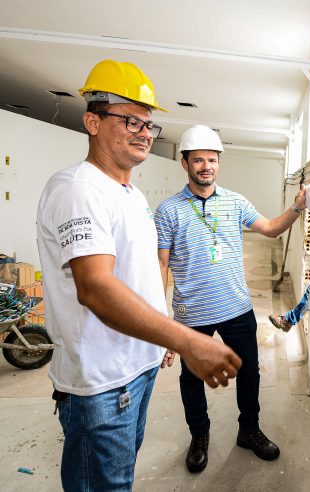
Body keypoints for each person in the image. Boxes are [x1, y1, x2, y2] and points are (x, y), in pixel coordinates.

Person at [36, 60, 242, 491]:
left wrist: (158, 340)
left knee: (119, 478)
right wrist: (184, 340)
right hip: (103, 382)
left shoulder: (128, 193)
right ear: (93, 121)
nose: (144, 132)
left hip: (135, 367)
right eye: (130, 120)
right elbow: (96, 287)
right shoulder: (79, 190)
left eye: (149, 124)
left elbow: (144, 274)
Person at [154, 124, 309, 473]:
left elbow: (269, 228)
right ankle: (199, 435)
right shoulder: (168, 211)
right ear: (185, 164)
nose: (205, 166)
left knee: (249, 372)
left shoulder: (236, 202)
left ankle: (249, 431)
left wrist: (297, 208)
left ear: (219, 163)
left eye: (211, 160)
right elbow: (160, 265)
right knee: (192, 379)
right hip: (191, 314)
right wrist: (162, 323)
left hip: (236, 309)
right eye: (198, 160)